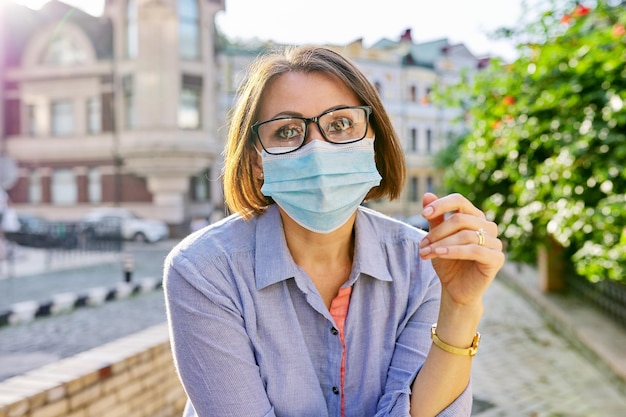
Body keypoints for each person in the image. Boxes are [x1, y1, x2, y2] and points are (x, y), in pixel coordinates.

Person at [163, 45, 505, 417]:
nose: (318, 149)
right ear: (255, 161)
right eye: (287, 131)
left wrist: (461, 306)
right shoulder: (204, 271)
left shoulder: (423, 262)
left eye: (341, 124)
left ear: (373, 139)